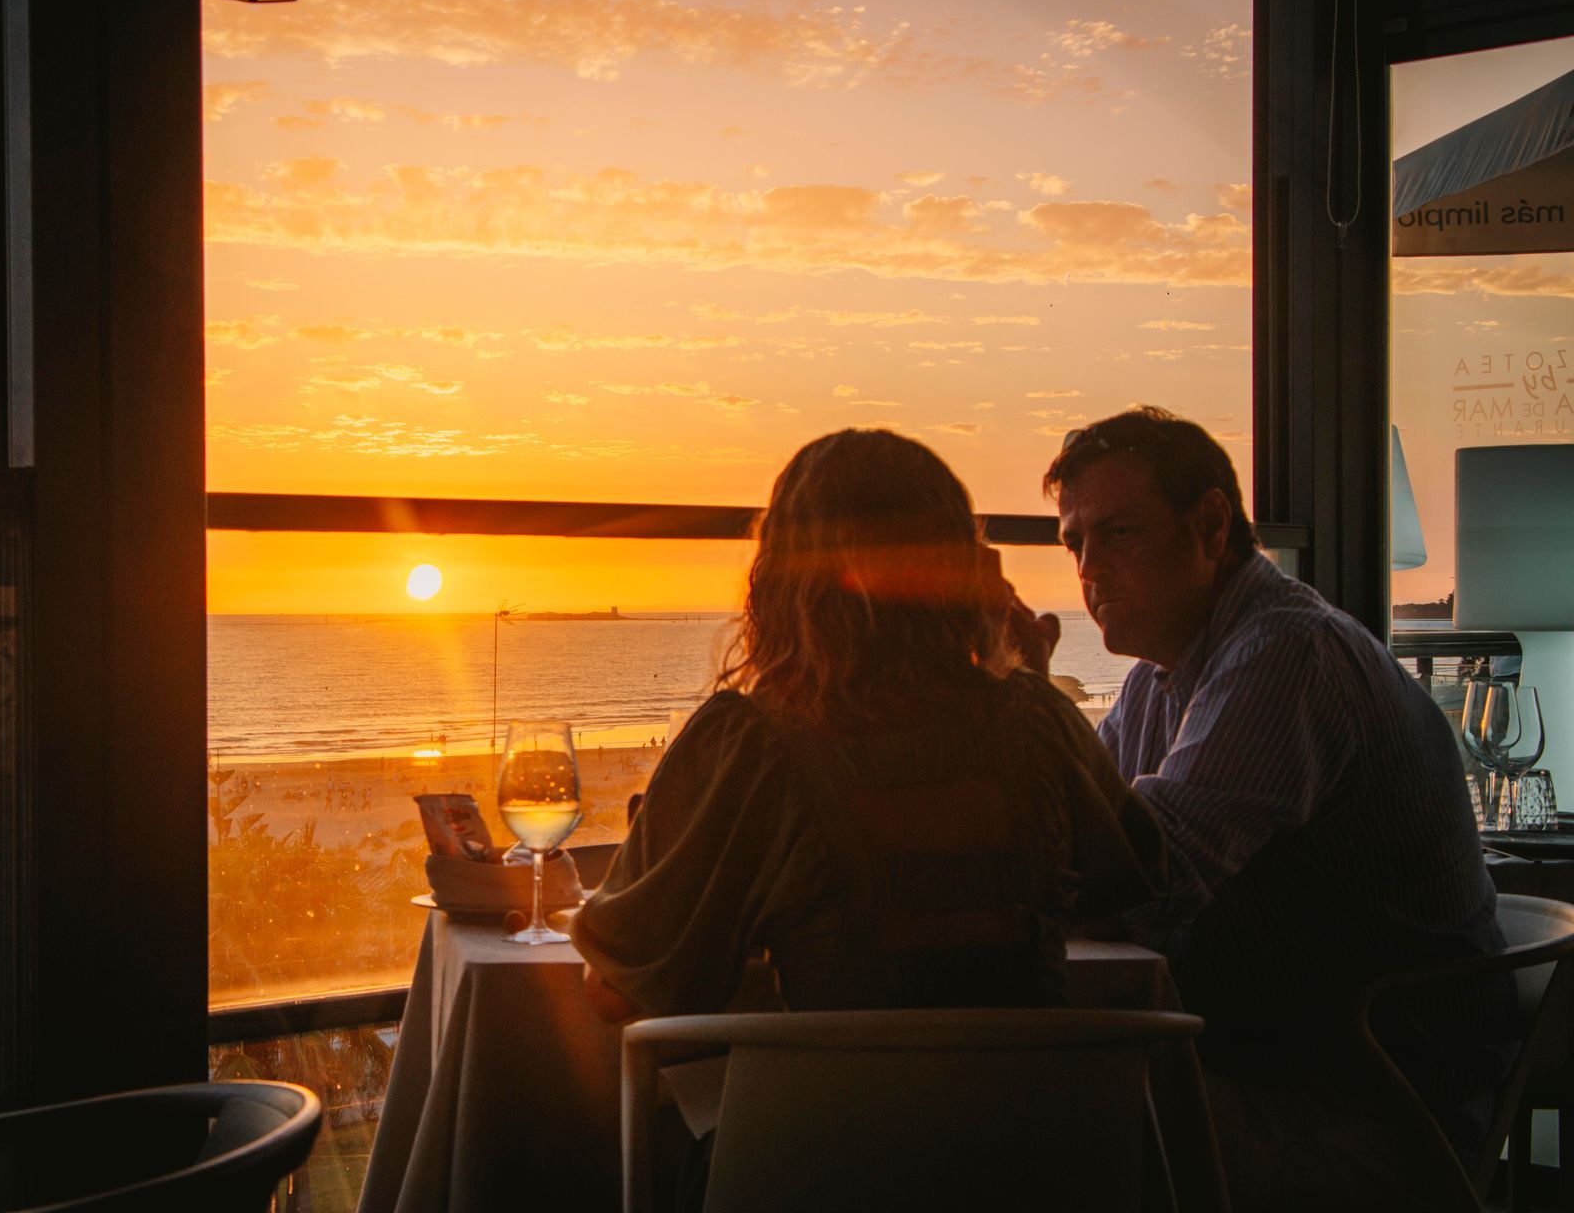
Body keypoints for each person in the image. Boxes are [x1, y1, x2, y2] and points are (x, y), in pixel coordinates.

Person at [1042, 406, 1506, 1209]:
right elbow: (1077, 831)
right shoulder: (1163, 678)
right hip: (1280, 1061)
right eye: (1075, 542)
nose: (1088, 569)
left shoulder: (1285, 654)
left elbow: (1144, 875)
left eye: (1118, 534)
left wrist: (1021, 701)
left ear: (1211, 527)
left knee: (1046, 1128)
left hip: (1374, 1106)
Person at [574, 428, 1167, 1024]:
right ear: (962, 569)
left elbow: (624, 992)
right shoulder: (1037, 724)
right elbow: (1123, 891)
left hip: (831, 1115)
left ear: (782, 580)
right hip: (1039, 1113)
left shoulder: (756, 744)